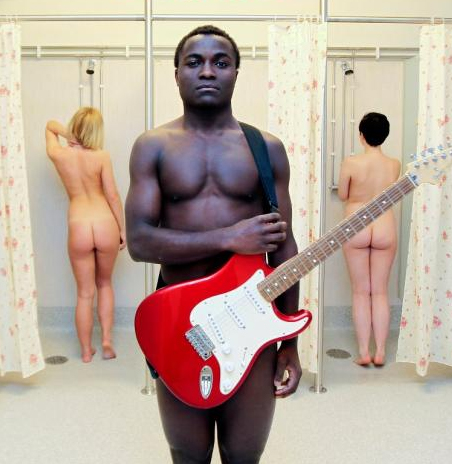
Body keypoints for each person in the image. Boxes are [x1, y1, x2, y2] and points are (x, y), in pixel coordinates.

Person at [126, 25, 301, 464]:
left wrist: (290, 342)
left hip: (253, 320)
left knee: (244, 453)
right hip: (177, 323)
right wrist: (229, 237)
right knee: (188, 453)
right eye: (194, 62)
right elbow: (140, 242)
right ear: (177, 74)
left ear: (236, 73)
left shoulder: (266, 149)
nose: (207, 71)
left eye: (221, 62)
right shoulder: (153, 147)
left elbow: (284, 250)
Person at [45, 107, 126, 363]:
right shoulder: (102, 156)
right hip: (104, 223)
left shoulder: (59, 155)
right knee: (105, 284)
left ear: (74, 126)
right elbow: (113, 195)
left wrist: (70, 135)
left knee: (84, 293)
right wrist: (122, 229)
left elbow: (49, 125)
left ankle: (85, 351)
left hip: (79, 225)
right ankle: (106, 341)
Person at [338, 112, 401, 367]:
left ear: (361, 135)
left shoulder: (351, 163)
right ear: (385, 135)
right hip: (384, 224)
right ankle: (381, 352)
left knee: (361, 292)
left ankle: (364, 352)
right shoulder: (394, 164)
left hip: (356, 224)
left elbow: (344, 195)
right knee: (380, 291)